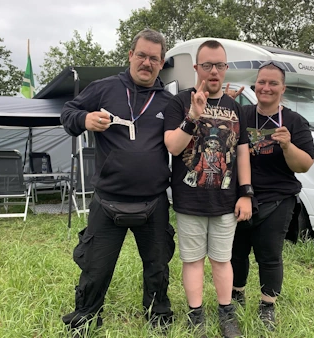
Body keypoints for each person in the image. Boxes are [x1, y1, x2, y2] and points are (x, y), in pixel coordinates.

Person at [60, 28, 176, 335]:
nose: (146, 63)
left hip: (153, 201)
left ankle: (158, 317)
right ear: (130, 56)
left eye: (154, 58)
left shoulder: (168, 101)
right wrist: (84, 120)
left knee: (158, 267)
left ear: (161, 62)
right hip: (108, 200)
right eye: (141, 55)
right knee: (95, 269)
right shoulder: (104, 88)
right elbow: (68, 112)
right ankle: (85, 319)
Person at [164, 40, 253, 338]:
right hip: (190, 198)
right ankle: (196, 315)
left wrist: (245, 193)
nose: (213, 71)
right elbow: (173, 147)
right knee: (192, 260)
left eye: (219, 65)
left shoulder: (234, 108)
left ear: (226, 68)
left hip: (226, 200)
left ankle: (226, 313)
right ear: (196, 68)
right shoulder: (177, 102)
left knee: (221, 258)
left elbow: (241, 154)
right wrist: (193, 115)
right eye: (207, 65)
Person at [229, 60, 314, 332]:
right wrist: (224, 109)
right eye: (262, 82)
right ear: (255, 85)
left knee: (269, 254)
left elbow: (304, 165)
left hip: (278, 198)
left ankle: (267, 305)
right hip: (240, 195)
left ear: (283, 88)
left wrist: (288, 145)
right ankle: (236, 294)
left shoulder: (294, 121)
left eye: (273, 83)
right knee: (236, 252)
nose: (266, 87)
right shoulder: (241, 114)